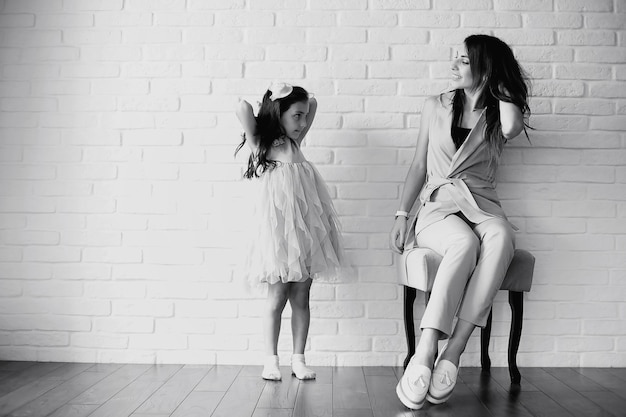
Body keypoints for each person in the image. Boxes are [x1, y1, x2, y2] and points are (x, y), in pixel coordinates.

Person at [389, 34, 531, 409]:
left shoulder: (499, 110)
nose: (454, 65)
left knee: (500, 235)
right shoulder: (434, 105)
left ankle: (453, 351)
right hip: (438, 206)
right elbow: (419, 165)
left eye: (464, 60)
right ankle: (424, 352)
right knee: (464, 244)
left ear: (484, 67)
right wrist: (403, 214)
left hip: (481, 203)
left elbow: (513, 128)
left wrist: (500, 89)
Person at [235, 82, 347, 381]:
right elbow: (242, 109)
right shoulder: (262, 143)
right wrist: (271, 98)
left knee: (302, 295)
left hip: (306, 234)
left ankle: (298, 358)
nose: (303, 122)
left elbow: (314, 101)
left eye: (304, 117)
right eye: (296, 116)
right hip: (278, 238)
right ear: (279, 113)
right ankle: (271, 359)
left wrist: (297, 104)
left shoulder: (297, 142)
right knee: (277, 296)